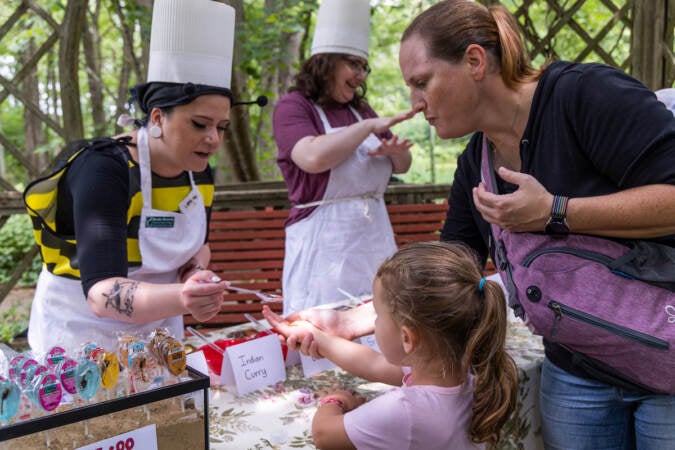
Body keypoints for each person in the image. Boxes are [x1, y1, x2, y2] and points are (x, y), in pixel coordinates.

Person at [266, 1, 675, 448]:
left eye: (422, 82)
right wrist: (347, 321)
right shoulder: (475, 162)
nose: (414, 103)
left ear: (475, 62)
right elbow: (446, 277)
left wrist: (556, 211)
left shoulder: (584, 95)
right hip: (575, 368)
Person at [23, 0, 240, 355]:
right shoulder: (103, 169)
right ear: (157, 118)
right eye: (200, 124)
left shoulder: (199, 171)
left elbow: (198, 244)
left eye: (222, 127)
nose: (213, 139)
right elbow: (101, 293)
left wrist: (194, 274)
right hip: (82, 338)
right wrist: (184, 297)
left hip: (159, 333)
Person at [265, 241, 517, 449]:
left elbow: (323, 435)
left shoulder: (404, 411)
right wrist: (317, 337)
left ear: (407, 338)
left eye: (377, 314)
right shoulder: (461, 370)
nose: (374, 322)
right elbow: (374, 364)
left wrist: (335, 400)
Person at [273, 0, 420, 315]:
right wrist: (366, 126)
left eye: (363, 67)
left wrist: (397, 155)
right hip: (323, 246)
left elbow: (403, 166)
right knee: (323, 337)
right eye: (353, 64)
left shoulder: (358, 107)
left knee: (383, 322)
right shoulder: (294, 107)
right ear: (326, 63)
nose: (359, 75)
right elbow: (311, 157)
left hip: (374, 237)